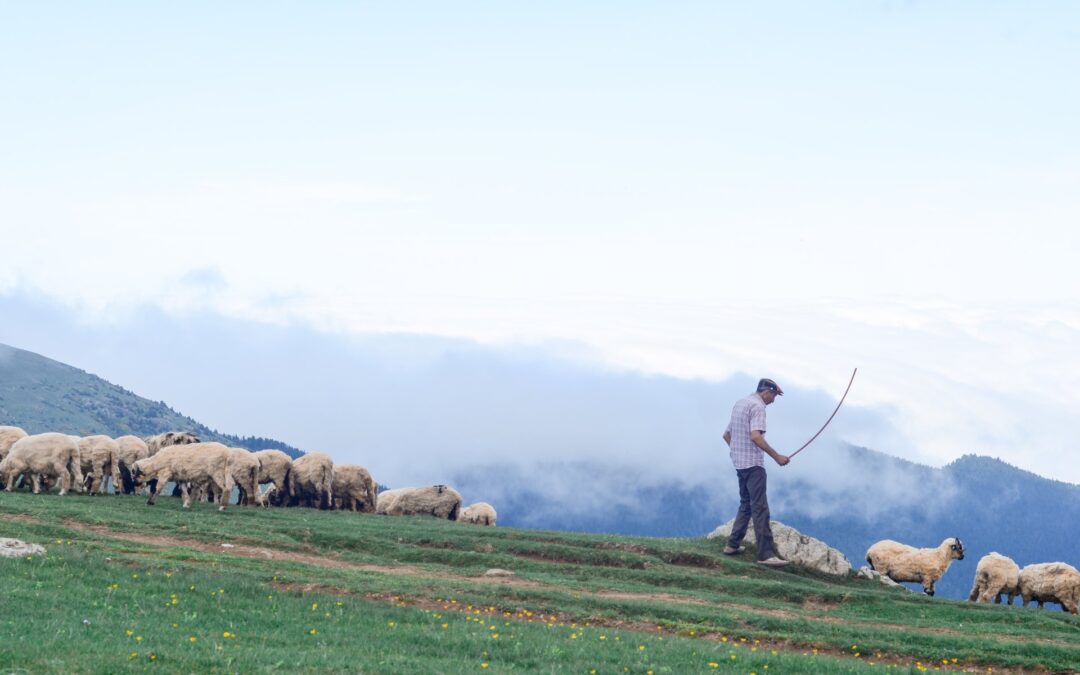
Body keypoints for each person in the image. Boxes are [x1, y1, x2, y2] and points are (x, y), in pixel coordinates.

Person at [721, 377, 791, 567]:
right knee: (760, 508)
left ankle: (732, 545)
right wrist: (777, 457)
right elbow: (755, 436)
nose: (774, 400)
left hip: (739, 463)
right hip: (753, 465)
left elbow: (727, 434)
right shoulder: (758, 407)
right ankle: (765, 555)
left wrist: (737, 452)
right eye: (774, 396)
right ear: (766, 392)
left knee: (746, 504)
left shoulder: (740, 403)